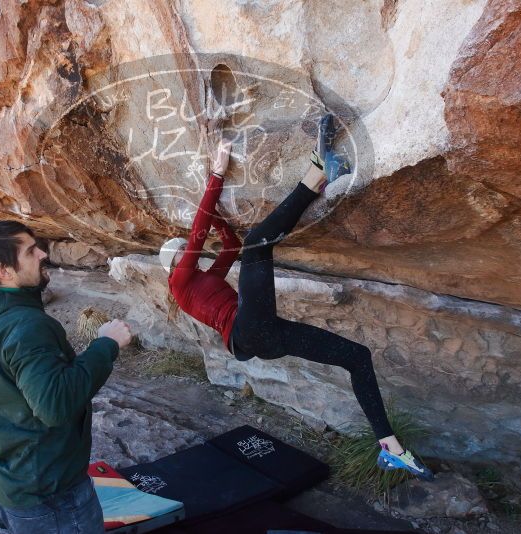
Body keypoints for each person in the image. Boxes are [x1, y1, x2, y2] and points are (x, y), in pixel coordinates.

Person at [160, 114, 433, 480]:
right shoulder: (179, 283)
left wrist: (222, 219)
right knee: (259, 242)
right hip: (248, 330)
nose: (186, 250)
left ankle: (390, 448)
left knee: (356, 356)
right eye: (180, 251)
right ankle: (319, 170)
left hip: (263, 337)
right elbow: (198, 233)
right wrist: (217, 173)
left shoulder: (203, 281)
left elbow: (231, 246)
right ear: (174, 262)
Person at [0, 220, 133, 534]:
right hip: (51, 495)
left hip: (15, 480)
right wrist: (106, 345)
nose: (42, 255)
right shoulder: (25, 327)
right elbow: (55, 405)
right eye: (30, 251)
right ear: (3, 271)